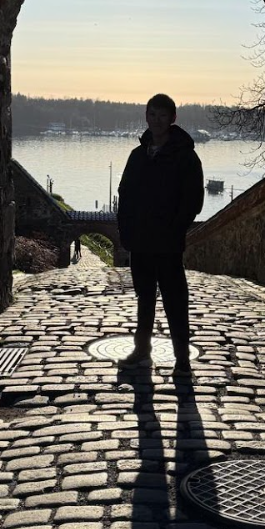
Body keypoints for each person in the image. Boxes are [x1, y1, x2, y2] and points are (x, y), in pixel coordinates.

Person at [116, 93, 204, 378]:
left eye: (162, 115)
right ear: (146, 116)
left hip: (167, 243)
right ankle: (142, 351)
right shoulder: (137, 155)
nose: (156, 120)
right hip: (141, 242)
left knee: (175, 300)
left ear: (172, 118)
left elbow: (193, 200)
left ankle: (182, 359)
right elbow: (125, 194)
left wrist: (175, 229)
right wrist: (126, 231)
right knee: (145, 298)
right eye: (152, 114)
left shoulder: (186, 157)